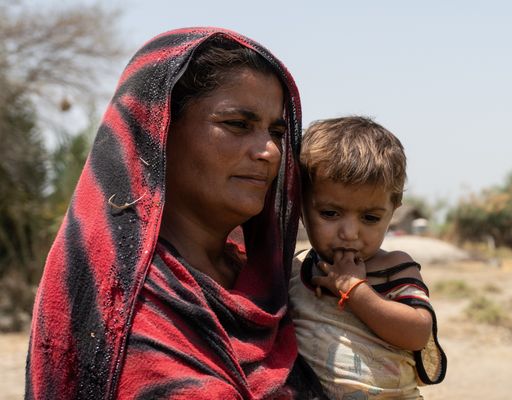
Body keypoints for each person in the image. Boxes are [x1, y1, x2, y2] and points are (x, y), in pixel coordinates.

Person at [25, 28, 324, 399]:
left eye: (276, 132)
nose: (269, 151)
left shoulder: (279, 287)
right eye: (237, 125)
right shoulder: (127, 304)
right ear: (161, 130)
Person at [289, 117, 447, 399]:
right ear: (301, 206)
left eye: (370, 218)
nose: (349, 233)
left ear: (393, 210)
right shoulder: (296, 270)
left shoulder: (394, 268)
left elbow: (417, 333)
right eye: (329, 213)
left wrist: (356, 290)